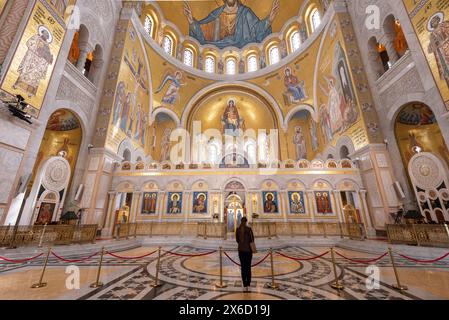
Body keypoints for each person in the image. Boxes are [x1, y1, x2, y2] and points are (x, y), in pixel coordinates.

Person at [235, 217, 255, 292]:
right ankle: (248, 284)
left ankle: (244, 284)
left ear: (241, 221)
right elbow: (252, 239)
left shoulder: (238, 229)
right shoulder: (249, 229)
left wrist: (241, 244)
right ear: (246, 222)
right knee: (248, 267)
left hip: (241, 250)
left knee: (243, 267)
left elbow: (237, 240)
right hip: (248, 251)